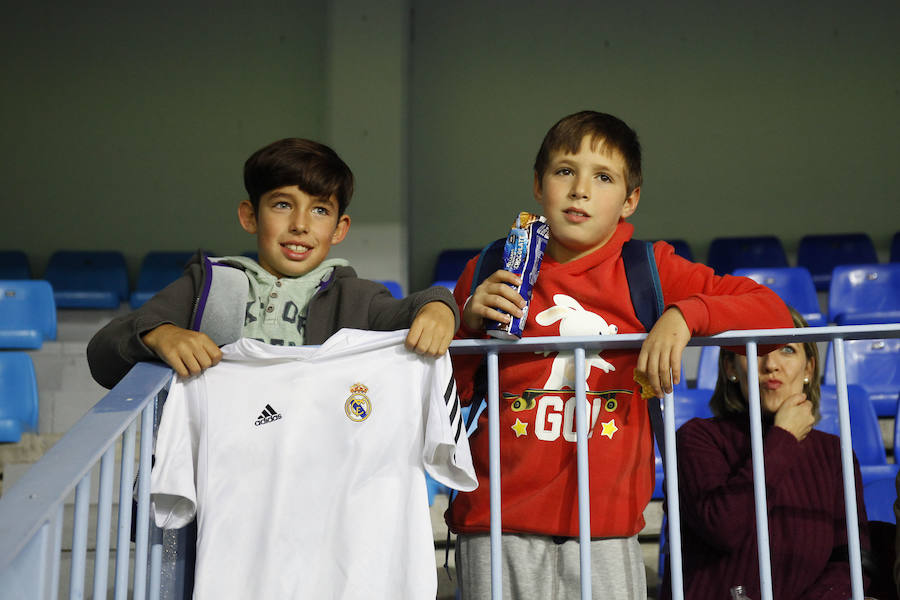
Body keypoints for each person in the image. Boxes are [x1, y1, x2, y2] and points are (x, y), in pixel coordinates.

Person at [444, 110, 793, 599]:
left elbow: (775, 315)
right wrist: (465, 327)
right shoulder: (490, 269)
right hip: (494, 524)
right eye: (565, 171)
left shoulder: (650, 269)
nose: (580, 190)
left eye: (603, 177)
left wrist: (686, 314)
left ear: (630, 200)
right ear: (538, 185)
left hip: (605, 530)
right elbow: (447, 397)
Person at [87, 138, 458, 389]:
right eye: (282, 205)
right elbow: (104, 352)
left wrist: (439, 306)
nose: (300, 225)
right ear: (250, 216)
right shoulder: (209, 285)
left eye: (320, 210)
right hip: (218, 465)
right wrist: (160, 335)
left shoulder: (357, 297)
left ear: (339, 228)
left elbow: (414, 308)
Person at [663, 307, 871, 599]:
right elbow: (724, 528)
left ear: (809, 369)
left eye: (787, 350)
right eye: (757, 349)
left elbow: (851, 560)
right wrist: (784, 437)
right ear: (730, 368)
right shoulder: (697, 438)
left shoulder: (834, 452)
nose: (771, 364)